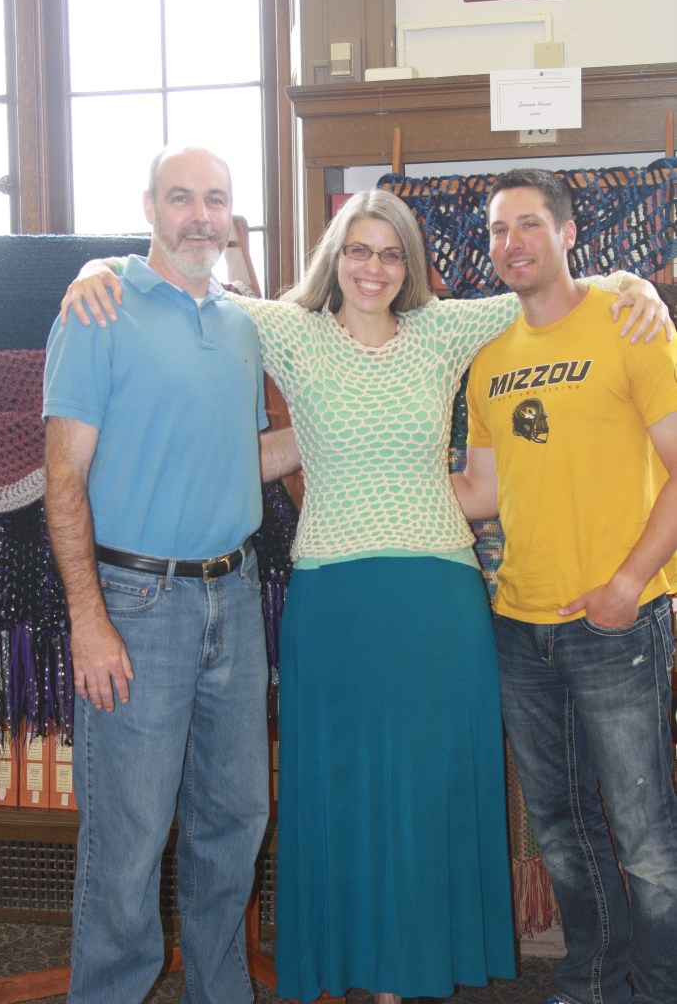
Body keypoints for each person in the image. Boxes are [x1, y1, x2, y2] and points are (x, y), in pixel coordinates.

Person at [60, 184, 669, 1004]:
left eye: (389, 253)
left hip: (437, 603)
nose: (373, 267)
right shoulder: (285, 329)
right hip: (333, 604)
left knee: (426, 796)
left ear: (408, 265)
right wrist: (98, 266)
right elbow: (188, 284)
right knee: (344, 796)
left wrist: (630, 284)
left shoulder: (444, 330)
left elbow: (544, 287)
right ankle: (364, 973)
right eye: (357, 250)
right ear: (334, 258)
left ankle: (411, 978)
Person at [43, 145, 299, 1004]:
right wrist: (89, 619)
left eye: (215, 199)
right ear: (149, 207)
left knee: (235, 823)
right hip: (134, 605)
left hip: (234, 594)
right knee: (129, 839)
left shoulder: (238, 325)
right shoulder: (99, 308)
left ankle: (220, 993)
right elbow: (63, 477)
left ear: (233, 217)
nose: (199, 215)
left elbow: (241, 458)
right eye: (181, 197)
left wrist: (335, 432)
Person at [452, 168, 677, 1004]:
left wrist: (627, 583)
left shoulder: (628, 322)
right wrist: (376, 485)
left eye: (527, 225)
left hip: (617, 622)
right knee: (562, 829)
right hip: (518, 625)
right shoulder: (487, 356)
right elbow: (480, 492)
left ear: (568, 233)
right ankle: (593, 983)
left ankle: (659, 989)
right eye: (496, 230)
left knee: (645, 836)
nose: (509, 243)